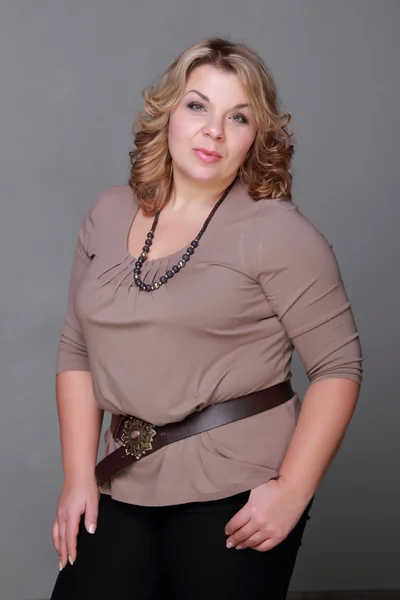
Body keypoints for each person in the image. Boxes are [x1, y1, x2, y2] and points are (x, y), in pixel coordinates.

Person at [49, 37, 362, 600]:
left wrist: (291, 491)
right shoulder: (108, 212)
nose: (213, 130)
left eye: (237, 117)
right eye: (198, 106)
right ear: (167, 112)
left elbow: (339, 367)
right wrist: (77, 478)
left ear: (256, 136)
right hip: (125, 476)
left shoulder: (279, 233)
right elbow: (76, 351)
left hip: (237, 490)